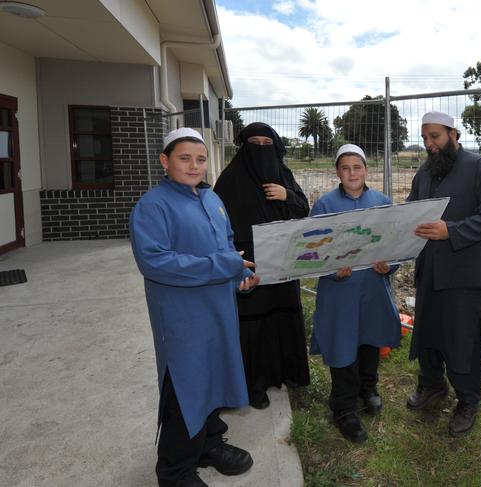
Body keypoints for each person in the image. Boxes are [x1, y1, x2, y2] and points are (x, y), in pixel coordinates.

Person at [129, 127, 260, 487]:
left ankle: (209, 444)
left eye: (200, 159)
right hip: (182, 317)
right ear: (165, 161)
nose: (194, 166)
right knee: (185, 388)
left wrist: (238, 278)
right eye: (184, 158)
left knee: (215, 376)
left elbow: (228, 247)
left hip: (219, 310)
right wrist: (224, 267)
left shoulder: (212, 200)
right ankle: (174, 471)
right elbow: (155, 262)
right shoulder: (152, 206)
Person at [406, 111, 481, 437]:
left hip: (466, 275)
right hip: (431, 272)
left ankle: (468, 400)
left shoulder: (479, 168)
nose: (429, 144)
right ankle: (432, 385)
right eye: (424, 138)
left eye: (434, 136)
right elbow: (411, 213)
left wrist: (452, 230)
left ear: (454, 134)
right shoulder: (423, 173)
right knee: (430, 333)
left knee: (463, 340)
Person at [213, 122, 310, 409]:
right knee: (254, 320)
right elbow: (218, 227)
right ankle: (255, 385)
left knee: (284, 311)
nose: (260, 150)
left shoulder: (284, 175)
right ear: (244, 147)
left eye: (267, 145)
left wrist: (287, 195)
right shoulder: (230, 179)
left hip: (282, 261)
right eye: (254, 143)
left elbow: (304, 209)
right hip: (249, 264)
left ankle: (290, 372)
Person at [309, 144, 402, 444]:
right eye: (345, 168)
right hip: (341, 291)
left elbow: (396, 244)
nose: (351, 173)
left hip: (373, 287)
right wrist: (333, 271)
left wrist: (390, 265)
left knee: (369, 341)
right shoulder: (324, 205)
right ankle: (345, 407)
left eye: (357, 167)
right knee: (343, 345)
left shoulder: (382, 202)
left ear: (366, 170)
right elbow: (312, 249)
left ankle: (368, 389)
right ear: (337, 172)